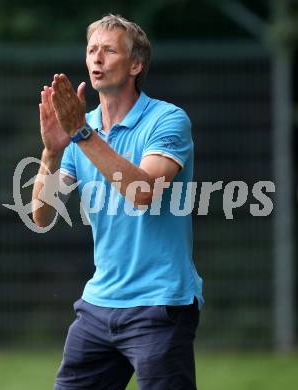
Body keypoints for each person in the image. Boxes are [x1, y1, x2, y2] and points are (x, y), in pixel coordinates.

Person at [32, 14, 204, 390]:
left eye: (109, 50)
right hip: (98, 305)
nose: (97, 58)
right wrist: (50, 153)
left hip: (160, 305)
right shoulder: (84, 131)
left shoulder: (167, 120)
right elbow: (41, 215)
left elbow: (141, 193)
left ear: (136, 65)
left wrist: (80, 133)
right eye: (92, 50)